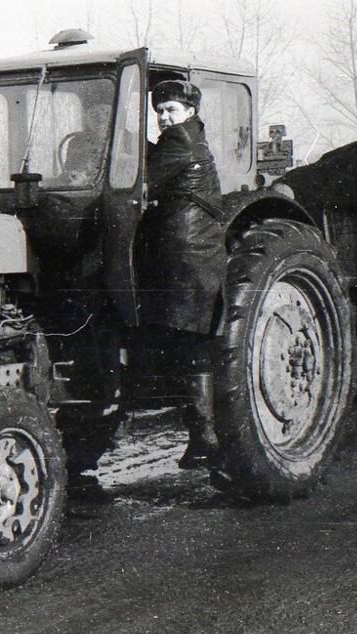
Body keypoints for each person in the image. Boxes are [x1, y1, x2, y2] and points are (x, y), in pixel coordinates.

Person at [137, 79, 226, 470]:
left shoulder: (180, 141)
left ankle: (205, 437)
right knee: (192, 348)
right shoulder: (191, 138)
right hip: (194, 257)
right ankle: (202, 436)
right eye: (159, 111)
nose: (164, 117)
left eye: (171, 109)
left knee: (190, 349)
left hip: (183, 258)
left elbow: (141, 181)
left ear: (190, 112)